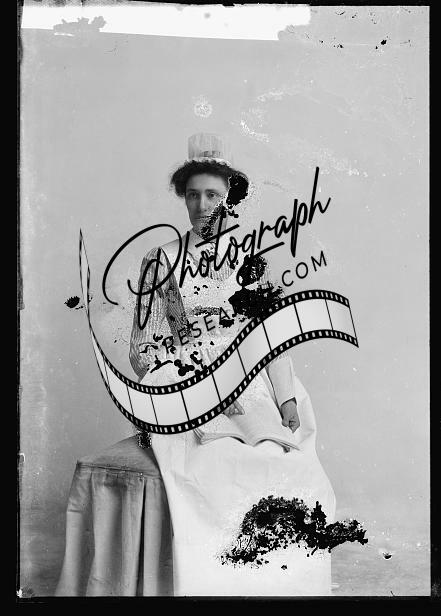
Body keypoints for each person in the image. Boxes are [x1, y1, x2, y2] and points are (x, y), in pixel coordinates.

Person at [129, 133, 335, 596]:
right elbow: (142, 347)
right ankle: (213, 585)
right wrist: (181, 383)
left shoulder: (250, 259)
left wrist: (286, 399)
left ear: (229, 198)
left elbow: (272, 337)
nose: (203, 206)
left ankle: (279, 584)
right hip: (188, 383)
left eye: (212, 195)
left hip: (250, 383)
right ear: (183, 198)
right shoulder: (162, 261)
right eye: (193, 195)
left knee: (284, 466)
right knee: (216, 464)